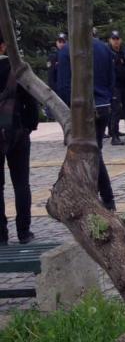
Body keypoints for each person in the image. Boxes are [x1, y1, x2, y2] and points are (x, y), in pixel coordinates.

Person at [56, 32, 117, 210]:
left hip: (81, 108)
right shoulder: (104, 48)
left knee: (90, 154)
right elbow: (111, 79)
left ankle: (104, 197)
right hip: (103, 103)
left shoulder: (67, 50)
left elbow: (64, 85)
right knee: (94, 151)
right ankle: (103, 197)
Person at [0, 34, 38, 244]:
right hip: (17, 132)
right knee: (21, 183)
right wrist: (29, 126)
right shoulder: (17, 68)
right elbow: (31, 102)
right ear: (4, 46)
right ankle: (24, 231)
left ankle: (1, 234)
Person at [107, 30, 125, 145]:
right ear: (110, 40)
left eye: (117, 39)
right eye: (114, 39)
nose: (116, 41)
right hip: (114, 85)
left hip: (124, 84)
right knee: (115, 110)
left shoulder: (123, 51)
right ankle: (114, 136)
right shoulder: (108, 53)